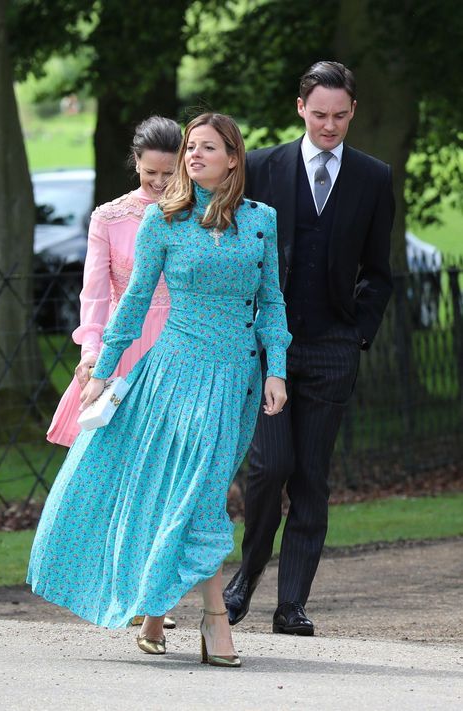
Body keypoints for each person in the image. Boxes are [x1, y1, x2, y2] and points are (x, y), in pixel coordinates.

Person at [27, 112, 291, 668]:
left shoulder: (262, 221)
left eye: (206, 148)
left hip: (234, 380)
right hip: (171, 374)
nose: (194, 156)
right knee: (195, 494)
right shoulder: (164, 222)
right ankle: (216, 621)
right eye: (190, 147)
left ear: (233, 158)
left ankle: (153, 614)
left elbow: (272, 303)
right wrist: (98, 374)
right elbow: (133, 304)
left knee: (196, 491)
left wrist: (277, 369)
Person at [223, 61, 395, 636]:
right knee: (271, 467)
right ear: (301, 108)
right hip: (266, 348)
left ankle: (291, 604)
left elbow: (379, 272)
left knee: (312, 480)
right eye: (319, 114)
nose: (329, 126)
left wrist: (357, 334)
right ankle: (244, 578)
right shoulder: (261, 167)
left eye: (340, 116)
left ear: (353, 111)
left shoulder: (374, 178)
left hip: (332, 348)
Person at [47, 116, 182, 449]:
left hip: (179, 346)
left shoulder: (196, 216)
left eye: (169, 172)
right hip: (126, 344)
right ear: (136, 162)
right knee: (114, 454)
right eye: (151, 172)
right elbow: (93, 295)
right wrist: (91, 353)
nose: (160, 182)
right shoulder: (108, 218)